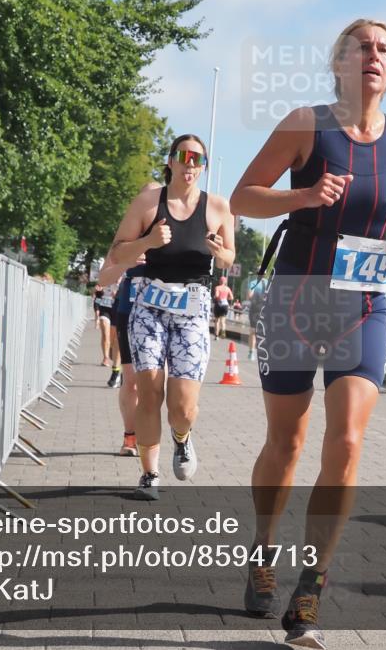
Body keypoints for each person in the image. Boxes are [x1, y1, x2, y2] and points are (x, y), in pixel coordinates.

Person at [230, 19, 386, 649]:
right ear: (339, 62)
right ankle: (262, 549)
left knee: (346, 441)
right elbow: (243, 198)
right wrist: (306, 195)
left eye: (384, 49)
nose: (374, 55)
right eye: (362, 46)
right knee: (285, 444)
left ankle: (312, 582)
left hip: (363, 305)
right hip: (295, 301)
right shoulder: (305, 125)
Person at [110, 135, 235, 500]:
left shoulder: (218, 207)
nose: (190, 164)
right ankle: (150, 473)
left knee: (182, 407)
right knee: (149, 392)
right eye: (184, 156)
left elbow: (229, 258)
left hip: (192, 311)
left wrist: (220, 253)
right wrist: (147, 242)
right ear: (171, 161)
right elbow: (117, 253)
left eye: (198, 159)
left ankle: (182, 437)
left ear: (204, 166)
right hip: (149, 307)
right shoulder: (149, 202)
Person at [96, 181, 165, 455]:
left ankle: (166, 432)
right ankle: (130, 436)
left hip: (164, 315)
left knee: (160, 380)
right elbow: (103, 278)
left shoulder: (171, 232)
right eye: (147, 200)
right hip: (129, 310)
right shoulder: (128, 237)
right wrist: (127, 262)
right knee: (132, 379)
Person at [94, 282, 118, 365]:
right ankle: (106, 358)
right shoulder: (105, 279)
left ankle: (111, 347)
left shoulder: (124, 278)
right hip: (104, 310)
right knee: (105, 334)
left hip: (117, 309)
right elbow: (97, 297)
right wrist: (97, 309)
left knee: (113, 337)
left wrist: (118, 295)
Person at [246, 276, 267, 360]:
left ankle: (251, 353)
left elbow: (249, 296)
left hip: (255, 309)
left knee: (253, 331)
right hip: (265, 309)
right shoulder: (268, 282)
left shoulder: (253, 283)